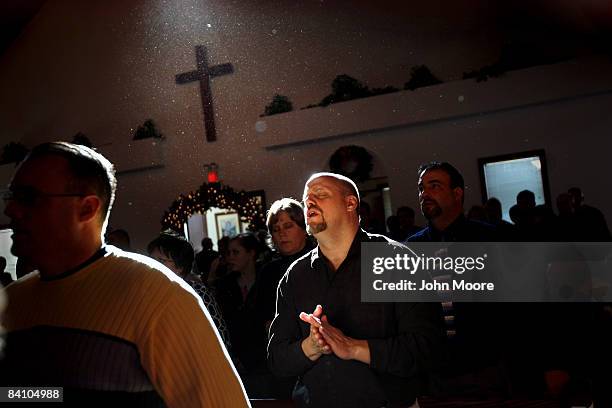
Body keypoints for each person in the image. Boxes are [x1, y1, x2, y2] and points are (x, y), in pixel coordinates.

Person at [0, 142, 249, 407]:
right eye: (11, 196)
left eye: (29, 197)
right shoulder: (12, 301)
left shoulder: (158, 297)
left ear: (87, 208)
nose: (10, 210)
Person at [268, 172, 445, 408]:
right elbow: (277, 361)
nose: (309, 202)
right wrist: (312, 346)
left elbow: (427, 348)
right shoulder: (295, 276)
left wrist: (354, 348)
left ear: (350, 203)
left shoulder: (396, 260)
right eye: (306, 198)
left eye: (320, 194)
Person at [147, 231, 231, 351]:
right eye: (150, 258)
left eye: (161, 261)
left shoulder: (197, 293)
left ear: (180, 267)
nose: (152, 264)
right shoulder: (146, 292)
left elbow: (220, 338)